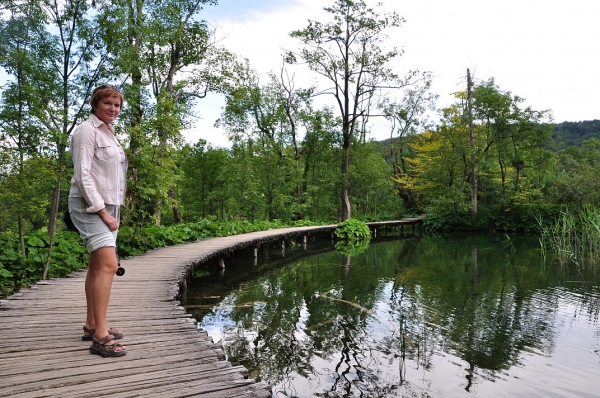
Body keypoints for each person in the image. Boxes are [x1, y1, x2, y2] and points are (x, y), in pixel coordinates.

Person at [68, 84, 128, 357]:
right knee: (109, 265)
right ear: (95, 104)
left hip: (109, 206)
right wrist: (102, 211)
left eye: (116, 105)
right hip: (90, 206)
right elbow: (82, 175)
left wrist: (112, 210)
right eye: (108, 104)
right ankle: (101, 338)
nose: (113, 109)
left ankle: (92, 324)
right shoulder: (86, 131)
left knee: (96, 266)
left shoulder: (110, 134)